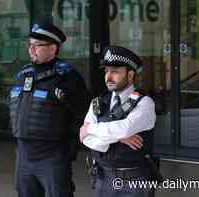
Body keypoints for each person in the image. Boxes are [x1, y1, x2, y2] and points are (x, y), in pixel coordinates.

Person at [9, 22, 90, 197]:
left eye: (37, 45)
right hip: (23, 155)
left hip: (52, 155)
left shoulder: (67, 76)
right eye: (29, 45)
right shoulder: (23, 74)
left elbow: (84, 114)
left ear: (53, 48)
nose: (31, 50)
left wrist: (69, 149)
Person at [80, 45, 157, 197]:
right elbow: (85, 140)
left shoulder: (145, 103)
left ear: (130, 75)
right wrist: (119, 138)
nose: (108, 77)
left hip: (134, 181)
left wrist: (90, 129)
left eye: (115, 71)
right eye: (106, 71)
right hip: (103, 178)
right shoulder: (98, 102)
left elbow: (124, 128)